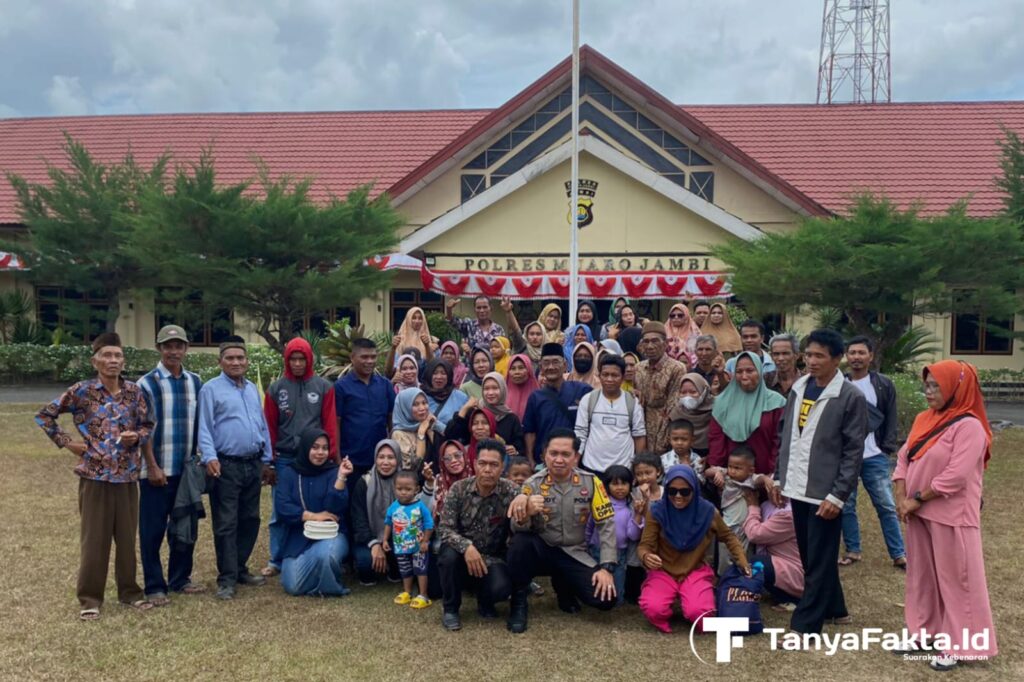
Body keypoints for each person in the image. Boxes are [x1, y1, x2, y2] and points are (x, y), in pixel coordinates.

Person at [35, 332, 155, 620]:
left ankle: (130, 592)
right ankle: (90, 598)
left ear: (123, 361)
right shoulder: (81, 391)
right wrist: (67, 442)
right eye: (107, 355)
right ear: (95, 360)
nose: (112, 361)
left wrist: (135, 437)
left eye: (117, 356)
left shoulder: (134, 392)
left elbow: (148, 425)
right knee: (95, 541)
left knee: (126, 540)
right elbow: (45, 415)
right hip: (95, 477)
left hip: (126, 477)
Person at [893, 360, 997, 671]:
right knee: (921, 576)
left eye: (935, 385)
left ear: (956, 387)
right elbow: (904, 457)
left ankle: (962, 644)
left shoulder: (970, 426)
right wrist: (901, 497)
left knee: (958, 580)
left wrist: (917, 499)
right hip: (918, 513)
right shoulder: (925, 419)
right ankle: (924, 633)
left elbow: (956, 475)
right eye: (926, 385)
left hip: (951, 514)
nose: (928, 391)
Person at [770, 328, 866, 634]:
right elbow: (786, 435)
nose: (812, 361)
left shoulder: (850, 397)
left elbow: (853, 452)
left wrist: (838, 496)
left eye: (819, 356)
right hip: (798, 486)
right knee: (812, 555)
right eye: (808, 354)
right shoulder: (799, 387)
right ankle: (835, 609)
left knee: (820, 558)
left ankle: (805, 625)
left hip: (825, 492)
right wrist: (778, 476)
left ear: (837, 359)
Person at [505, 429, 618, 633]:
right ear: (544, 455)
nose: (559, 459)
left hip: (574, 552)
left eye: (566, 454)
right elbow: (514, 527)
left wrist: (606, 567)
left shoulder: (592, 482)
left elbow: (606, 524)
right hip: (542, 549)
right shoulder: (532, 484)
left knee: (606, 599)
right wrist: (527, 513)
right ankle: (519, 603)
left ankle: (564, 588)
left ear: (576, 457)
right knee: (519, 543)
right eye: (553, 453)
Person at [197, 338, 274, 601]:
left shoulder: (252, 388)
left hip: (253, 464)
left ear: (247, 361)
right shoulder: (211, 389)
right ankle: (227, 579)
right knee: (226, 523)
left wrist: (267, 459)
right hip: (225, 465)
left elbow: (261, 424)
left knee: (250, 519)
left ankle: (240, 568)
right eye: (230, 358)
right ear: (220, 361)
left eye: (240, 358)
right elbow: (204, 427)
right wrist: (209, 456)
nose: (236, 362)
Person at [136, 324, 205, 606]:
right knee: (152, 530)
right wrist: (151, 466)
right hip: (157, 470)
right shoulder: (146, 384)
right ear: (159, 348)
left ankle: (180, 579)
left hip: (185, 470)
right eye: (168, 346)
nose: (174, 351)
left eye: (179, 346)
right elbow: (143, 429)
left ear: (186, 348)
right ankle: (154, 585)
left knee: (185, 528)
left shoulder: (196, 381)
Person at [637, 465, 750, 634]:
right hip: (663, 570)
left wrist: (742, 561)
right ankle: (665, 613)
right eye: (672, 491)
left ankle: (693, 602)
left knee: (700, 614)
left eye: (684, 492)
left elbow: (729, 537)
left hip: (694, 570)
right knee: (653, 608)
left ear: (694, 490)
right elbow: (644, 545)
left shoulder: (708, 512)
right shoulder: (657, 511)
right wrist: (646, 556)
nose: (678, 497)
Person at [262, 337, 338, 578]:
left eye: (301, 359)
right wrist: (269, 460)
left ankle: (311, 550)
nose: (297, 364)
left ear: (309, 360)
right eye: (293, 359)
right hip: (285, 458)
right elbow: (269, 426)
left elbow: (329, 422)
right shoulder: (276, 388)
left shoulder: (323, 386)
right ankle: (276, 559)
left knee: (315, 506)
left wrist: (331, 454)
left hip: (314, 457)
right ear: (286, 360)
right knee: (280, 511)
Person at [437, 439, 519, 631]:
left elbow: (531, 521)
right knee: (446, 554)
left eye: (494, 464)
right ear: (474, 464)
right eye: (482, 463)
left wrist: (524, 498)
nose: (487, 469)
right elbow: (444, 529)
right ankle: (450, 609)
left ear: (502, 467)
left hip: (492, 557)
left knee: (501, 588)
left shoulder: (512, 491)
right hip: (461, 555)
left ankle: (485, 599)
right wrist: (467, 547)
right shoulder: (459, 489)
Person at [840, 336, 905, 569]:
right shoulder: (839, 383)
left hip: (874, 455)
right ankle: (853, 550)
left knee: (886, 505)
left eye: (861, 353)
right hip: (846, 456)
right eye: (852, 352)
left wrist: (886, 448)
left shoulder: (883, 384)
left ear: (871, 356)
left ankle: (899, 553)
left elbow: (891, 417)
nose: (856, 357)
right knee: (846, 505)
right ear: (846, 356)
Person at [274, 429, 354, 597]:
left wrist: (341, 477)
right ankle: (324, 574)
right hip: (299, 537)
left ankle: (329, 581)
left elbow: (336, 508)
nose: (320, 453)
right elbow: (282, 507)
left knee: (326, 556)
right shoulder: (290, 473)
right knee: (293, 585)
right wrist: (312, 516)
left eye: (325, 448)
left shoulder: (333, 471)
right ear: (305, 447)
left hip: (331, 534)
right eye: (315, 447)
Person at [707, 351, 785, 484]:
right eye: (739, 371)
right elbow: (716, 441)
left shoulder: (776, 402)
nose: (744, 376)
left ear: (760, 371)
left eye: (750, 371)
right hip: (730, 480)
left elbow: (778, 442)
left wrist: (772, 474)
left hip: (765, 478)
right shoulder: (722, 402)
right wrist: (717, 471)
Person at [522, 342, 592, 466]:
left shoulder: (582, 390)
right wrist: (530, 459)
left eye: (555, 362)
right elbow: (530, 431)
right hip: (546, 460)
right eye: (546, 363)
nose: (551, 367)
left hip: (576, 459)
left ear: (565, 365)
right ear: (541, 367)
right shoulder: (536, 397)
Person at [335, 338, 396, 480]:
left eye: (373, 357)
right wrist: (338, 458)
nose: (369, 361)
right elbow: (336, 423)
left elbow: (391, 421)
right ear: (352, 358)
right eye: (364, 357)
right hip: (351, 460)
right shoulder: (341, 387)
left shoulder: (385, 385)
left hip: (380, 462)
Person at [575, 354, 646, 472]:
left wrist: (637, 467)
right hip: (591, 466)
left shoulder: (632, 402)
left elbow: (639, 436)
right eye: (605, 375)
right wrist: (576, 460)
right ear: (599, 375)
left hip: (623, 468)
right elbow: (580, 433)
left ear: (623, 377)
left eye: (615, 375)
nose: (609, 379)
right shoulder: (588, 400)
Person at [586, 465, 643, 605]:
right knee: (595, 579)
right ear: (607, 485)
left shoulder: (631, 507)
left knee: (617, 584)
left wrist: (638, 515)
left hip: (620, 553)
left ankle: (616, 600)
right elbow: (589, 526)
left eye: (624, 483)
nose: (620, 488)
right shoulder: (600, 504)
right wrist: (586, 544)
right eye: (615, 484)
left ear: (631, 484)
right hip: (596, 550)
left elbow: (633, 536)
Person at [742, 489, 804, 611]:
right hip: (784, 563)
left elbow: (755, 535)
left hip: (796, 572)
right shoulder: (768, 505)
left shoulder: (789, 514)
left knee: (758, 563)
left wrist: (753, 507)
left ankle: (792, 599)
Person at [351, 439, 401, 585]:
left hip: (395, 538)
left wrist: (386, 542)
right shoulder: (364, 482)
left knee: (398, 556)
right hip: (367, 538)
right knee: (365, 563)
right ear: (375, 459)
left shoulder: (404, 482)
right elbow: (358, 518)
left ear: (398, 459)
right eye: (381, 457)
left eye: (391, 457)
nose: (385, 462)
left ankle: (393, 568)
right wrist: (374, 544)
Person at [384, 470, 435, 609]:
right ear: (394, 488)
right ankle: (407, 592)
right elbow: (388, 522)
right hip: (401, 546)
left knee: (420, 569)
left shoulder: (420, 506)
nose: (403, 492)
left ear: (416, 489)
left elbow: (429, 524)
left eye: (408, 489)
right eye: (399, 489)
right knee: (405, 569)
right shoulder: (394, 506)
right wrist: (384, 540)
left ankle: (423, 595)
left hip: (419, 546)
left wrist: (425, 541)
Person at [634, 321, 687, 453]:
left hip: (664, 430)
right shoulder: (638, 368)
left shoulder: (677, 368)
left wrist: (662, 441)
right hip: (640, 429)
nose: (650, 346)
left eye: (655, 341)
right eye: (646, 342)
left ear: (665, 344)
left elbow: (672, 406)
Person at [716, 446, 757, 572]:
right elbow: (708, 472)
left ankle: (744, 580)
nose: (732, 471)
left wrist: (767, 479)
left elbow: (762, 478)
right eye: (730, 466)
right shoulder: (727, 478)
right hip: (727, 527)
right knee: (725, 556)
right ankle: (723, 580)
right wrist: (719, 473)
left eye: (737, 468)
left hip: (745, 529)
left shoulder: (752, 481)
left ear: (750, 470)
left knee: (745, 555)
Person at [390, 387, 441, 470]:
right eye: (415, 404)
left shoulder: (427, 424)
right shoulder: (398, 434)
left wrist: (432, 428)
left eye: (424, 403)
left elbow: (440, 455)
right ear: (405, 407)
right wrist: (421, 434)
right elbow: (413, 467)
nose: (422, 408)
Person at [479, 372, 526, 458]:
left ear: (503, 389)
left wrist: (515, 451)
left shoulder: (511, 418)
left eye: (495, 388)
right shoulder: (477, 413)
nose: (490, 393)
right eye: (486, 389)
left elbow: (521, 449)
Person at [667, 373, 715, 455]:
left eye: (693, 392)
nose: (688, 396)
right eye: (683, 392)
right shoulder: (676, 413)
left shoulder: (715, 411)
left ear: (704, 391)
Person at [420, 357, 470, 432]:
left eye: (443, 373)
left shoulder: (461, 397)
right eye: (435, 373)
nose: (439, 377)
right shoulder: (420, 396)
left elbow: (464, 429)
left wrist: (436, 424)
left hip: (450, 442)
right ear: (429, 374)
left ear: (449, 376)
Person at [506, 354, 540, 420]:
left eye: (521, 368)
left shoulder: (538, 397)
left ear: (529, 370)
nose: (517, 372)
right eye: (513, 368)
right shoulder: (502, 397)